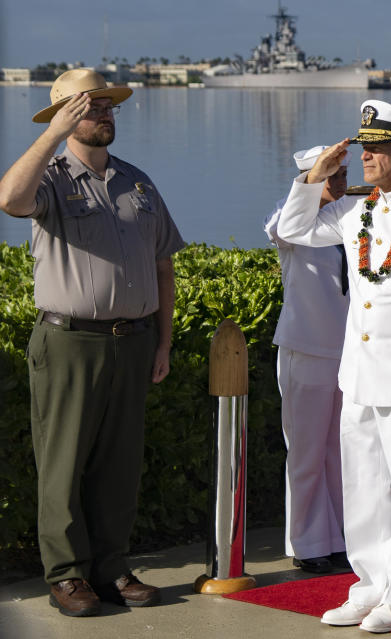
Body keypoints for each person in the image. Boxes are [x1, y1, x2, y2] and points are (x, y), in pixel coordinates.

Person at [0, 68, 184, 617]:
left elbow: (163, 266)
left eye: (107, 106)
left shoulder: (138, 182)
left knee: (119, 464)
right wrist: (52, 134)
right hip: (69, 342)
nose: (103, 113)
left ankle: (111, 568)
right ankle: (66, 576)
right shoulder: (50, 177)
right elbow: (9, 198)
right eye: (89, 106)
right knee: (63, 464)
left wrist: (164, 343)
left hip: (133, 341)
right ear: (65, 115)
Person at [275, 100, 391, 633]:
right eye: (363, 147)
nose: (366, 156)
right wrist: (312, 177)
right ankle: (369, 585)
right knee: (365, 489)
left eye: (375, 148)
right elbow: (294, 227)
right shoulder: (352, 212)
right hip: (360, 375)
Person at [263, 145, 350, 574]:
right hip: (308, 347)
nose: (339, 182)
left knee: (343, 451)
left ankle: (342, 536)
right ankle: (307, 541)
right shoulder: (289, 214)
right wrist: (311, 183)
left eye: (341, 173)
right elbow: (281, 230)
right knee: (307, 451)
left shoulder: (355, 213)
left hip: (351, 351)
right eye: (329, 175)